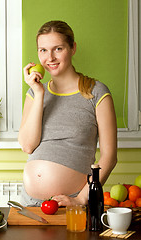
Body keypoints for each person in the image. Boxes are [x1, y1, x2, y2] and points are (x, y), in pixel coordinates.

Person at [18, 20, 117, 207]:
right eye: (43, 50)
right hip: (29, 204)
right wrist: (39, 94)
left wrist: (80, 199)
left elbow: (109, 157)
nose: (50, 58)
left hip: (71, 202)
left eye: (58, 49)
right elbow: (27, 146)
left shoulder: (96, 92)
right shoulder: (34, 92)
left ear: (73, 48)